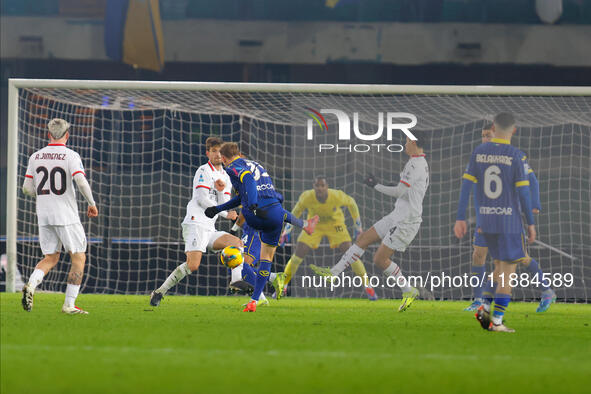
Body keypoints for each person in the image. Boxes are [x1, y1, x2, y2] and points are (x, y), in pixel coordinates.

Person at [312, 131, 430, 312]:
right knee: (363, 239)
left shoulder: (415, 165)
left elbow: (399, 191)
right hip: (397, 214)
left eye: (406, 141)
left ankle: (408, 290)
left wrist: (376, 185)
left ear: (413, 142)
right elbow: (406, 190)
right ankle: (334, 273)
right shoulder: (417, 163)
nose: (405, 144)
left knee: (380, 259)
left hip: (407, 220)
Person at [204, 142, 317, 312]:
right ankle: (256, 299)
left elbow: (247, 180)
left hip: (255, 218)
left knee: (242, 263)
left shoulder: (232, 167)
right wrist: (218, 209)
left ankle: (261, 291)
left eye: (223, 160)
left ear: (225, 158)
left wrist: (253, 205)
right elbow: (251, 195)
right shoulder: (257, 164)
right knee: (266, 259)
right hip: (275, 215)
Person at [455, 112, 537, 333]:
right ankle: (497, 321)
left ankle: (483, 305)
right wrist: (530, 222)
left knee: (498, 270)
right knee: (508, 274)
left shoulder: (479, 152)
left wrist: (460, 217)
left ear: (493, 127)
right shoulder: (515, 155)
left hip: (486, 222)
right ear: (514, 130)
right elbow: (524, 193)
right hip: (508, 222)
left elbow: (465, 187)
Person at [464, 125, 556, 313]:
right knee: (478, 255)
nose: (485, 139)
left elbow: (532, 180)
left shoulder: (513, 156)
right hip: (487, 217)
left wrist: (534, 204)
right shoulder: (479, 158)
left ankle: (546, 290)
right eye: (482, 136)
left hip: (507, 216)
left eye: (488, 135)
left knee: (518, 258)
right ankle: (478, 299)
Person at [149, 137, 241, 306]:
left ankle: (236, 282)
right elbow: (201, 199)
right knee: (193, 266)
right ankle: (159, 292)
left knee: (237, 243)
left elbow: (223, 202)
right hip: (195, 222)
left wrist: (221, 194)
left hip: (209, 228)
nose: (217, 154)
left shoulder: (226, 176)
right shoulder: (203, 171)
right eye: (213, 151)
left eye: (220, 151)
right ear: (208, 153)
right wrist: (225, 214)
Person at [21, 118, 98, 314]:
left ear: (48, 135)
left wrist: (46, 195)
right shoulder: (71, 155)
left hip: (44, 215)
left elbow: (26, 189)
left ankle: (31, 285)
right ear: (67, 135)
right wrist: (92, 203)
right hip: (66, 216)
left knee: (50, 257)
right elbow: (80, 182)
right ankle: (69, 305)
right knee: (78, 257)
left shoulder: (35, 157)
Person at [280, 176, 377, 300]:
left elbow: (352, 203)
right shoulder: (307, 197)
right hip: (315, 225)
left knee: (350, 252)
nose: (320, 188)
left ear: (327, 187)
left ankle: (368, 287)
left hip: (335, 225)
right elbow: (295, 213)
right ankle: (283, 285)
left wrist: (358, 228)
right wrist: (286, 232)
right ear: (314, 187)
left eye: (322, 185)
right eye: (317, 186)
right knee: (299, 251)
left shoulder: (337, 195)